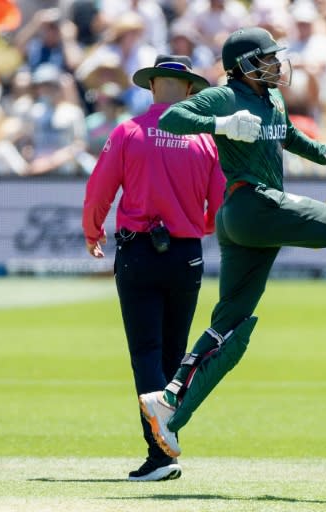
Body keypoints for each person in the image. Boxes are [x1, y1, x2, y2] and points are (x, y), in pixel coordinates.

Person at [137, 27, 326, 460]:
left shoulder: (271, 98)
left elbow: (287, 136)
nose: (276, 65)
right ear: (244, 65)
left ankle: (169, 404)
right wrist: (221, 124)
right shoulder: (224, 96)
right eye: (267, 58)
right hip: (251, 205)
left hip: (248, 219)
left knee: (230, 326)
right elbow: (170, 119)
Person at [81, 54, 225, 481]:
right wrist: (193, 228)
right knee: (173, 356)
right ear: (188, 91)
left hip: (139, 251)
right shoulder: (205, 140)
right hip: (186, 255)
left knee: (146, 354)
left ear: (152, 87)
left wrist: (92, 233)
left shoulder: (128, 132)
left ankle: (160, 454)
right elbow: (219, 206)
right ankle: (168, 441)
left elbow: (99, 190)